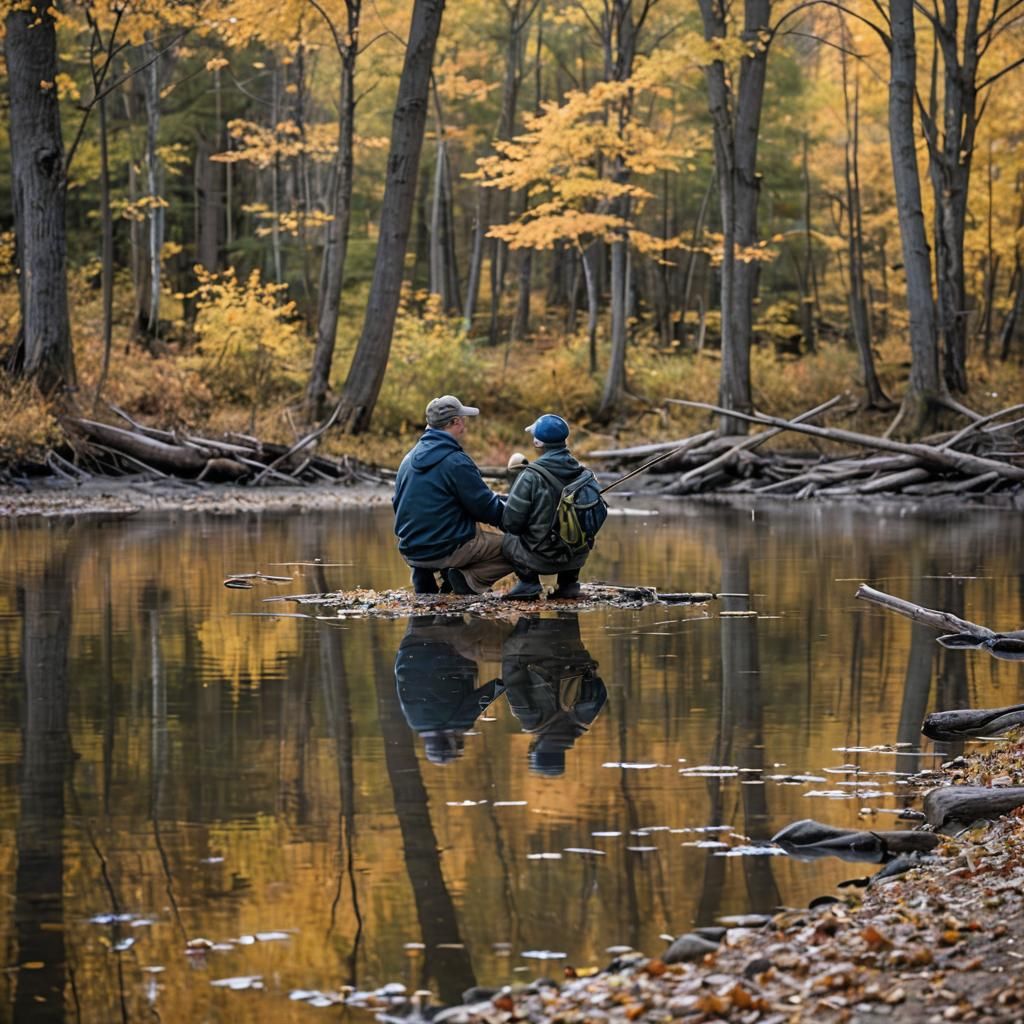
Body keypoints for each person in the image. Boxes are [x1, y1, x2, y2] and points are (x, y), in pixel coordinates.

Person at [393, 395, 515, 595]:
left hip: (411, 549)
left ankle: (426, 579)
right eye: (463, 420)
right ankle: (468, 581)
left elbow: (398, 505)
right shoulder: (455, 461)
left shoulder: (408, 459)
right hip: (443, 549)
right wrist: (518, 521)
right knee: (516, 546)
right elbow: (487, 509)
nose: (465, 426)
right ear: (455, 422)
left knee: (450, 528)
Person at [501, 413, 601, 600]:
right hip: (576, 555)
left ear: (538, 444)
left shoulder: (530, 476)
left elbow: (511, 523)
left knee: (508, 538)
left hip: (541, 557)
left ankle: (528, 583)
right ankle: (569, 584)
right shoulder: (585, 474)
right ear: (564, 440)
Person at [394, 615, 511, 764]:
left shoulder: (458, 722)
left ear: (451, 742)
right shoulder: (414, 722)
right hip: (409, 646)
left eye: (460, 743)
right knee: (423, 607)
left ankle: (463, 595)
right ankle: (424, 593)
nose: (462, 738)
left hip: (446, 648)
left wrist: (506, 681)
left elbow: (483, 697)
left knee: (455, 611)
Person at [501, 616, 607, 777]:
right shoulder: (532, 722)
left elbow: (599, 685)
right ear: (536, 748)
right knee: (529, 598)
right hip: (534, 637)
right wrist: (520, 628)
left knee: (566, 598)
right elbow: (511, 677)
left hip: (570, 638)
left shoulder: (585, 720)